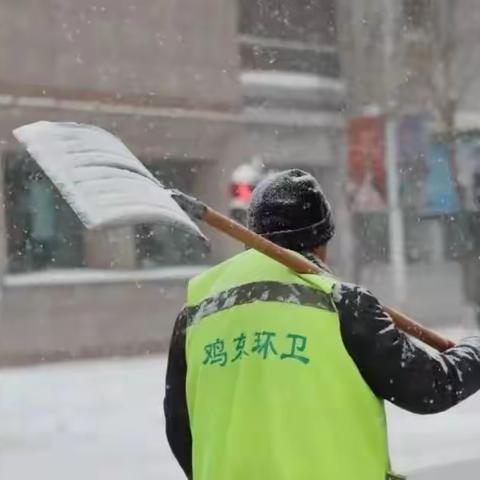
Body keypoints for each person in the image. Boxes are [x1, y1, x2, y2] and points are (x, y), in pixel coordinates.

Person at [164, 169, 480, 480]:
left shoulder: (197, 311)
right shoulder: (343, 303)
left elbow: (180, 428)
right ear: (322, 241)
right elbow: (429, 387)